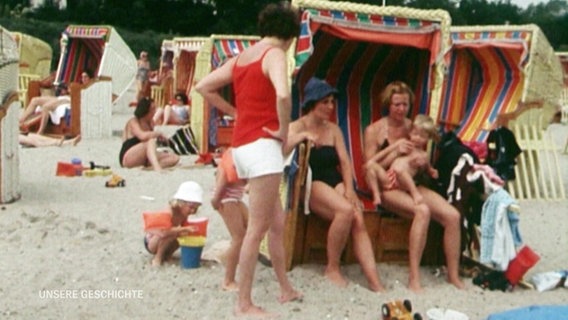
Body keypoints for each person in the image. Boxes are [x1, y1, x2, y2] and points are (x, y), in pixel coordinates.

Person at [195, 2, 302, 317]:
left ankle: (284, 288)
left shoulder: (243, 56)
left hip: (240, 147)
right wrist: (283, 130)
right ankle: (244, 303)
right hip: (262, 149)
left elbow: (204, 87)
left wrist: (235, 113)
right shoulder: (276, 55)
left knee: (276, 222)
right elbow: (283, 95)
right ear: (290, 35)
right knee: (257, 229)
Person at [283, 77, 385, 292]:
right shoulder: (296, 126)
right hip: (309, 181)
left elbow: (345, 162)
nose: (330, 107)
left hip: (333, 179)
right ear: (312, 103)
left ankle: (374, 280)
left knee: (357, 216)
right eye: (325, 102)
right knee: (346, 211)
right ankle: (332, 267)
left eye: (331, 102)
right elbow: (281, 150)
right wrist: (302, 136)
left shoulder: (334, 129)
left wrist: (349, 189)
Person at [363, 81, 465, 292]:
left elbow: (422, 162)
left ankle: (453, 275)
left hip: (414, 184)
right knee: (422, 211)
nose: (401, 109)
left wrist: (422, 165)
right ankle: (414, 276)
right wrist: (394, 148)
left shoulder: (414, 127)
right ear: (387, 104)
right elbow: (368, 168)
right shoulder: (374, 130)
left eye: (405, 105)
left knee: (453, 216)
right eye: (397, 104)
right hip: (389, 187)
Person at [366, 114, 440, 205]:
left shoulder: (423, 155)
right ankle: (376, 194)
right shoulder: (403, 143)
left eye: (422, 136)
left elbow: (428, 168)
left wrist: (432, 171)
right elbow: (378, 157)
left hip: (402, 183)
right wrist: (396, 151)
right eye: (415, 134)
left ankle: (415, 193)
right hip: (389, 178)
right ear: (410, 133)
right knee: (370, 166)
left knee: (400, 170)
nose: (417, 138)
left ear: (428, 139)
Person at [211, 148, 249, 292]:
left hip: (235, 198)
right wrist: (216, 200)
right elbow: (223, 179)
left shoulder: (241, 154)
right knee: (238, 237)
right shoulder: (233, 156)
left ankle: (233, 258)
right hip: (226, 199)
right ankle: (228, 280)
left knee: (251, 230)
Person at [144, 181, 203, 266]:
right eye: (191, 207)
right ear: (182, 203)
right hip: (153, 240)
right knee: (172, 234)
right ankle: (158, 258)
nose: (193, 211)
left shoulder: (183, 213)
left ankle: (167, 255)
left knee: (183, 234)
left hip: (164, 236)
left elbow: (183, 227)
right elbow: (164, 231)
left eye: (196, 208)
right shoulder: (170, 212)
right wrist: (183, 229)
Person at [119, 97, 179, 171]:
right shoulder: (133, 122)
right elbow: (142, 136)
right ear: (146, 110)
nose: (155, 111)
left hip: (143, 156)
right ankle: (157, 168)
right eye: (153, 109)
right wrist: (158, 133)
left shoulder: (151, 123)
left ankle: (150, 168)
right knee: (150, 142)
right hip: (128, 157)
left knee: (174, 158)